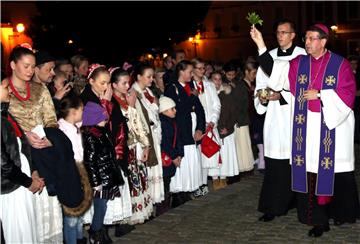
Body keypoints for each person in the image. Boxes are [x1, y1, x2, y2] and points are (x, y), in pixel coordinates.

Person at [250, 23, 360, 237]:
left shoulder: (340, 64)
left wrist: (320, 95)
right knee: (311, 174)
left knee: (332, 174)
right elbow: (274, 72)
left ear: (323, 41)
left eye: (311, 39)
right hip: (306, 127)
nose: (307, 43)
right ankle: (317, 220)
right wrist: (261, 45)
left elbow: (348, 94)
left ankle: (336, 213)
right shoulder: (299, 63)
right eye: (306, 39)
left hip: (331, 126)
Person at [8, 46, 64, 243]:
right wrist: (24, 135)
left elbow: (51, 120)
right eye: (26, 66)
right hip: (18, 155)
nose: (30, 70)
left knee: (47, 207)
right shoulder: (3, 91)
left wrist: (49, 138)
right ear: (13, 65)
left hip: (43, 152)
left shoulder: (40, 90)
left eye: (33, 66)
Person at [254, 19, 307, 222]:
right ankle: (273, 206)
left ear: (293, 35)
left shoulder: (302, 56)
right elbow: (261, 83)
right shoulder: (269, 56)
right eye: (277, 32)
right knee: (276, 164)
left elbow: (303, 88)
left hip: (295, 116)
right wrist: (263, 96)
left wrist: (283, 96)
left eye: (284, 32)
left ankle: (296, 201)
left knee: (296, 161)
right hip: (275, 118)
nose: (280, 36)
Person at [0, 78, 44, 243]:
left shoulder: (6, 114)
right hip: (10, 187)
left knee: (26, 228)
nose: (10, 91)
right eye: (5, 87)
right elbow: (3, 164)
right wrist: (27, 182)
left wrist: (33, 171)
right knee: (16, 231)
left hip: (22, 183)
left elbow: (22, 145)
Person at [111, 68, 153, 225]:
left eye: (128, 82)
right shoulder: (113, 102)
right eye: (124, 83)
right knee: (130, 181)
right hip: (125, 148)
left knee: (139, 178)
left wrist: (146, 145)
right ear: (114, 85)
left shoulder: (127, 98)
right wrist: (130, 106)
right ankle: (130, 217)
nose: (127, 85)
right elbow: (126, 124)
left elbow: (139, 124)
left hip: (136, 145)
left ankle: (141, 211)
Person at [81, 101, 124, 243]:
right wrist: (95, 182)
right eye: (102, 118)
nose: (105, 120)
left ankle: (97, 232)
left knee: (103, 205)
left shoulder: (102, 132)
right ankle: (95, 233)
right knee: (100, 207)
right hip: (100, 178)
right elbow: (90, 162)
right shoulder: (91, 136)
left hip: (106, 175)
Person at [164, 60, 205, 206]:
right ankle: (178, 193)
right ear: (181, 72)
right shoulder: (172, 89)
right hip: (181, 132)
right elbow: (175, 111)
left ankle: (187, 189)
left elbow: (200, 109)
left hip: (192, 130)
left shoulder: (190, 87)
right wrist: (191, 97)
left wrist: (200, 128)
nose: (192, 74)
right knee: (183, 161)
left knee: (191, 162)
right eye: (189, 71)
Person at [57, 95, 91, 244]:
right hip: (69, 172)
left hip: (80, 170)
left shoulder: (74, 126)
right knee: (71, 215)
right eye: (81, 109)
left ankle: (79, 238)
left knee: (79, 212)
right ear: (73, 111)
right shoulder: (61, 129)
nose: (83, 112)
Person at [131, 63, 165, 206]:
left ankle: (155, 199)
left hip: (154, 132)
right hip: (144, 135)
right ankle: (148, 201)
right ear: (139, 77)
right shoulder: (134, 92)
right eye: (148, 76)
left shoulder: (148, 92)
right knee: (147, 169)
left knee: (155, 168)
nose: (152, 79)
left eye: (152, 76)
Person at [191, 58, 221, 197]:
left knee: (206, 156)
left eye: (204, 68)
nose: (203, 71)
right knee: (196, 157)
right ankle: (196, 185)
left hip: (209, 125)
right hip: (195, 126)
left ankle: (203, 184)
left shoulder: (209, 85)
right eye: (199, 68)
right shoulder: (189, 86)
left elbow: (216, 104)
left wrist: (213, 121)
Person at [208, 71, 240, 190]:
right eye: (214, 79)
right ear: (210, 80)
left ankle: (223, 177)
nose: (217, 82)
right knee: (213, 155)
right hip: (212, 130)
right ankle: (215, 179)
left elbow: (233, 113)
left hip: (225, 129)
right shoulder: (207, 93)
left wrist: (229, 127)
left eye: (219, 79)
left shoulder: (226, 93)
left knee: (225, 155)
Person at [158, 96, 183, 215]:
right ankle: (162, 208)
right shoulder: (163, 123)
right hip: (166, 158)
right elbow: (165, 142)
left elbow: (177, 138)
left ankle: (166, 204)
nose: (175, 111)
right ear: (164, 111)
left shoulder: (172, 121)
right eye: (172, 109)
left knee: (167, 182)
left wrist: (179, 154)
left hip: (172, 156)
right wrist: (173, 156)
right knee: (164, 183)